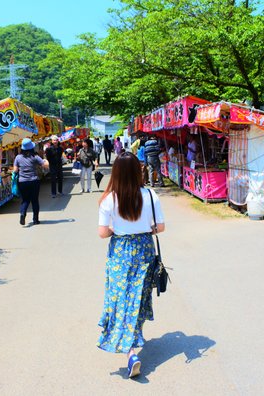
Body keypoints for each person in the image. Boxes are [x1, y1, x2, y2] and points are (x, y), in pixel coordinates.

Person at [97, 152, 165, 378]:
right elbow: (160, 227)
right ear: (138, 171)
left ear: (115, 173)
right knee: (138, 297)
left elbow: (102, 233)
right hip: (145, 249)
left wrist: (117, 229)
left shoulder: (109, 199)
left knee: (121, 298)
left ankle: (131, 351)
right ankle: (132, 345)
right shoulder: (150, 194)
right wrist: (143, 229)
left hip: (120, 252)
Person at [13, 138, 49, 225]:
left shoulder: (18, 157)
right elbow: (46, 166)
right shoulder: (35, 157)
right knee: (35, 201)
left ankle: (22, 213)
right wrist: (46, 160)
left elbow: (15, 170)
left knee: (25, 200)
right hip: (33, 181)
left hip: (22, 182)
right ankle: (35, 220)